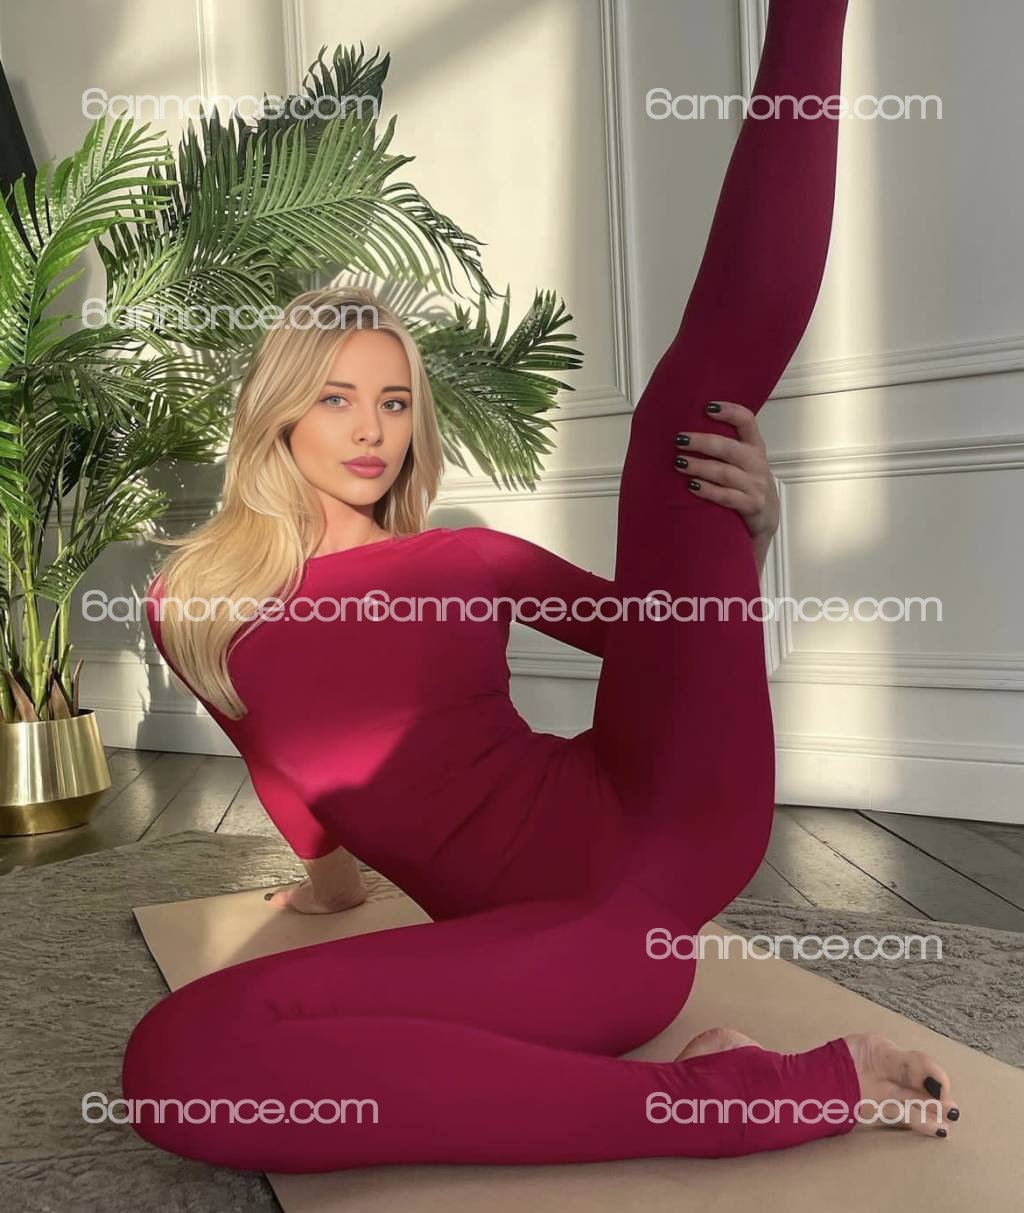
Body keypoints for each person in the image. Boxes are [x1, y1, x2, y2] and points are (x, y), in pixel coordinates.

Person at [122, 0, 959, 1174]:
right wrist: (325, 888)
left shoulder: (466, 562)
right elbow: (287, 775)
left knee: (685, 423)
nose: (372, 429)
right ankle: (716, 1081)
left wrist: (750, 537)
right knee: (177, 1060)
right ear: (277, 412)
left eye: (395, 401)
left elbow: (665, 640)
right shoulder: (193, 603)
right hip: (574, 946)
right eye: (338, 397)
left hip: (660, 816)